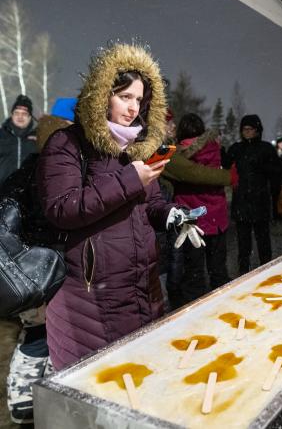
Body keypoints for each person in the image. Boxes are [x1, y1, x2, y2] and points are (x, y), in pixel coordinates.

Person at [37, 43, 188, 370]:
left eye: (139, 99)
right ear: (102, 93)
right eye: (124, 96)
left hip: (141, 290)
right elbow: (62, 209)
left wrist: (170, 214)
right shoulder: (67, 143)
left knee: (139, 382)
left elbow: (149, 204)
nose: (133, 108)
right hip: (90, 300)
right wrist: (129, 180)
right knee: (98, 393)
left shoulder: (135, 147)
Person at [1, 99, 76, 424]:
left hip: (30, 275)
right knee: (48, 335)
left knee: (37, 333)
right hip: (51, 271)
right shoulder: (61, 172)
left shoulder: (28, 168)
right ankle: (34, 398)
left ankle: (23, 398)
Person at [173, 113, 230, 301]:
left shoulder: (178, 155)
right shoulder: (214, 148)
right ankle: (223, 309)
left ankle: (194, 312)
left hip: (192, 220)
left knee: (194, 273)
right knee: (218, 270)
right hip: (217, 217)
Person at [223, 114, 281, 275]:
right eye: (244, 129)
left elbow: (277, 173)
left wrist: (263, 167)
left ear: (257, 130)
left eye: (251, 129)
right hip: (241, 201)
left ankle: (266, 271)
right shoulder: (236, 148)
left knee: (263, 242)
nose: (247, 132)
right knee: (243, 244)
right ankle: (243, 273)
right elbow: (226, 164)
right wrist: (221, 150)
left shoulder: (266, 148)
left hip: (260, 201)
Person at [0, 95, 37, 187]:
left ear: (30, 117)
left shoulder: (38, 138)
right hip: (2, 189)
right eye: (17, 113)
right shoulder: (1, 135)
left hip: (28, 193)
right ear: (12, 115)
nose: (20, 117)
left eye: (24, 114)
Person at [271, 137, 282, 221]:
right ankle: (275, 214)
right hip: (275, 178)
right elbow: (280, 167)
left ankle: (277, 213)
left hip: (278, 178)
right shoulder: (277, 154)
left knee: (277, 197)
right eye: (281, 143)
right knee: (276, 197)